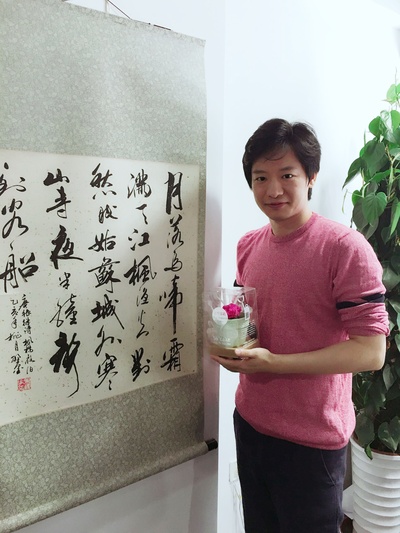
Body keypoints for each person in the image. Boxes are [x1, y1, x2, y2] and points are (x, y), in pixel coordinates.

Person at [210, 118, 389, 533]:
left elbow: (371, 352)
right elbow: (246, 322)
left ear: (311, 177)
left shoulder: (344, 248)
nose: (273, 190)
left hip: (312, 441)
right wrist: (227, 346)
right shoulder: (248, 245)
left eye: (287, 175)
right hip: (251, 423)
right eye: (261, 178)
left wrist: (275, 363)